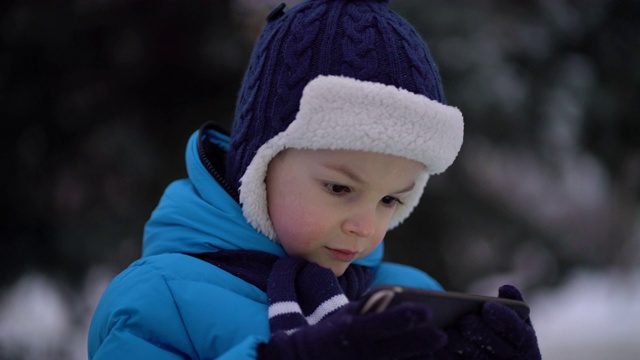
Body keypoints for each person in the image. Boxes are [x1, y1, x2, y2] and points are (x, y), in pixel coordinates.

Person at [88, 0, 541, 359]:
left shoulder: (407, 297)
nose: (364, 227)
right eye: (340, 188)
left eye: (389, 200)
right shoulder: (158, 300)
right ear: (261, 162)